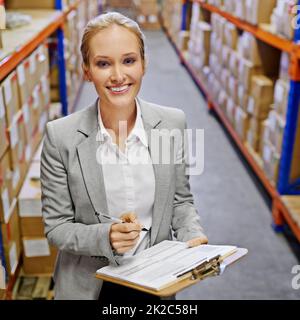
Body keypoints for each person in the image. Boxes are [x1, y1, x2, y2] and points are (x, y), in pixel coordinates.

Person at [40, 11, 208, 301]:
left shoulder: (171, 124)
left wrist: (191, 233)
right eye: (103, 64)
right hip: (90, 284)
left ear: (144, 64)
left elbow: (180, 201)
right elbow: (56, 227)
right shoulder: (61, 137)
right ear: (87, 70)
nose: (118, 76)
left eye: (129, 60)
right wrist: (104, 237)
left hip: (156, 280)